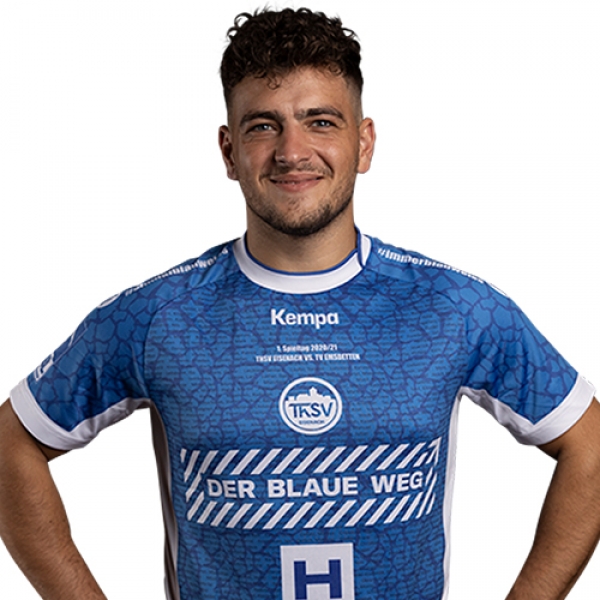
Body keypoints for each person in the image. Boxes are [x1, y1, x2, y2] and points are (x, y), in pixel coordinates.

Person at [1, 7, 599, 600]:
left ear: (363, 143)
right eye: (264, 126)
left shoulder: (453, 307)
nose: (292, 151)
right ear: (229, 151)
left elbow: (590, 447)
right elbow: (11, 443)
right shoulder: (159, 314)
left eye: (321, 122)